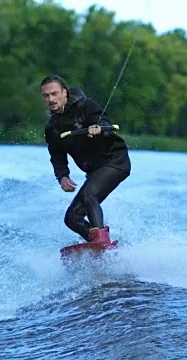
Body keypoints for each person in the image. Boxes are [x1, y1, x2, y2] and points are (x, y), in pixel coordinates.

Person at [41, 74, 131, 246]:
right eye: (46, 96)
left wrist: (99, 129)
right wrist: (62, 176)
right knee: (72, 218)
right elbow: (57, 156)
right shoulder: (52, 127)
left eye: (54, 94)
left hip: (115, 161)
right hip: (95, 170)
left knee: (90, 195)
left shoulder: (86, 106)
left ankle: (101, 241)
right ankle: (97, 244)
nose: (51, 99)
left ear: (64, 93)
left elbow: (104, 122)